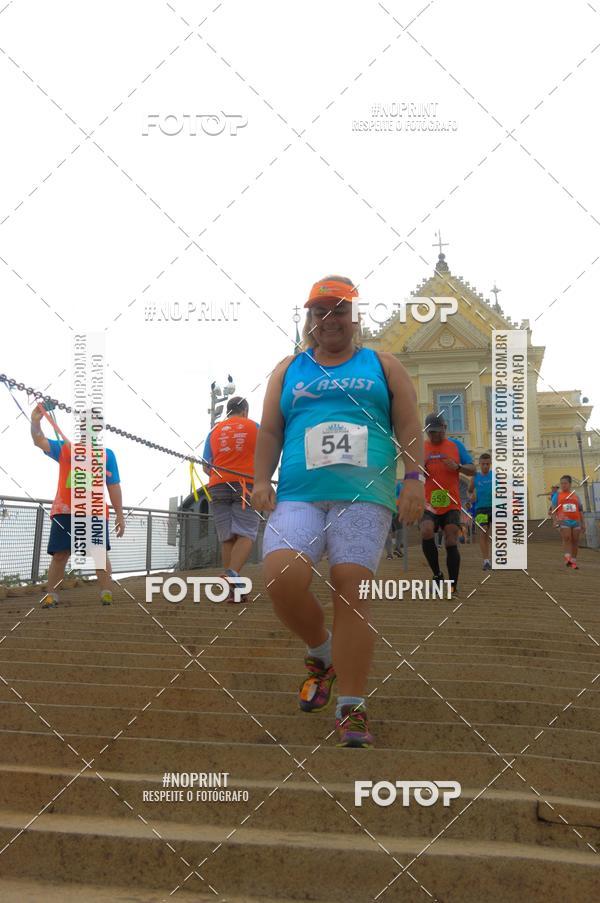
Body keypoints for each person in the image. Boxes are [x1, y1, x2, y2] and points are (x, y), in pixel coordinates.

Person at [252, 275, 425, 748]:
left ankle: (351, 706)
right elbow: (270, 430)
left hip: (364, 494)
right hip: (298, 492)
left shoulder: (382, 365)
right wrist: (260, 478)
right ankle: (321, 654)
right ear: (310, 318)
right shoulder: (288, 369)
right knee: (280, 577)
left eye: (339, 310)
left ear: (354, 317)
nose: (330, 319)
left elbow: (408, 422)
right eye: (320, 311)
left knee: (352, 588)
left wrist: (413, 478)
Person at [31, 404, 124, 608]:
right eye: (85, 421)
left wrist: (119, 514)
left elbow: (113, 485)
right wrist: (36, 421)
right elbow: (39, 440)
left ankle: (106, 592)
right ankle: (51, 595)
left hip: (96, 512)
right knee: (60, 554)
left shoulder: (107, 454)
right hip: (66, 510)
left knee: (100, 553)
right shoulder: (66, 448)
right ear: (80, 425)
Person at [203, 396, 260, 601]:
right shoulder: (255, 427)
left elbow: (205, 466)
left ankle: (232, 591)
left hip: (217, 485)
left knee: (227, 537)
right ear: (245, 410)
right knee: (246, 534)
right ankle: (231, 577)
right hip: (245, 484)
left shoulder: (214, 431)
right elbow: (267, 455)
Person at [420, 413, 475, 593]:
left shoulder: (456, 445)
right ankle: (437, 574)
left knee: (451, 540)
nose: (434, 436)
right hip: (429, 502)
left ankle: (453, 585)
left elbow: (473, 470)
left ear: (444, 428)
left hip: (451, 501)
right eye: (430, 432)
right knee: (426, 530)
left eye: (437, 432)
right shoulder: (422, 448)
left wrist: (458, 467)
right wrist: (421, 472)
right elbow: (413, 473)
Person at [551, 475, 585, 569]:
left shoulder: (576, 496)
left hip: (576, 520)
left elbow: (580, 510)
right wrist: (554, 521)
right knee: (567, 538)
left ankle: (573, 561)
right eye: (561, 483)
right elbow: (553, 510)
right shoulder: (557, 496)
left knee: (575, 540)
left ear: (570, 484)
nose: (563, 485)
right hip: (563, 520)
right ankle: (567, 558)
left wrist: (583, 523)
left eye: (565, 483)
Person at [468, 452, 493, 570]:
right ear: (479, 464)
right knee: (484, 532)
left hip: (496, 508)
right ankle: (486, 561)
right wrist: (471, 496)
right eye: (483, 464)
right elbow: (469, 491)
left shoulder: (495, 475)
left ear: (491, 463)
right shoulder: (475, 477)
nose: (485, 466)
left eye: (487, 464)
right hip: (480, 509)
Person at [385, 479, 404, 559]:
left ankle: (389, 554)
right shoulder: (398, 484)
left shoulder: (378, 482)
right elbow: (402, 496)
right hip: (396, 506)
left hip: (385, 506)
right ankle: (397, 548)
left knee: (387, 532)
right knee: (400, 528)